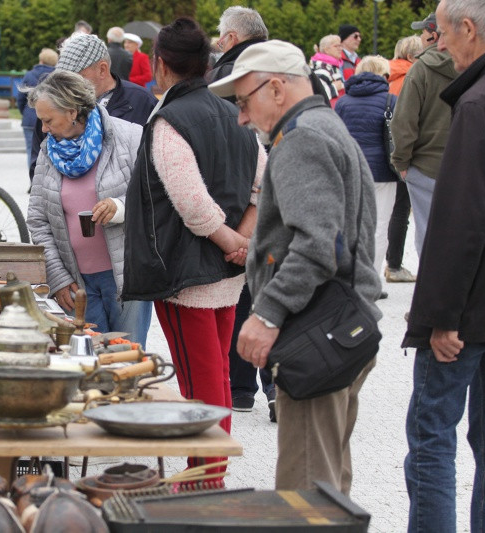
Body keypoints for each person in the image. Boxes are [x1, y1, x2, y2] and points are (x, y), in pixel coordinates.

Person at [211, 40, 381, 495]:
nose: (242, 117)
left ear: (278, 89)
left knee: (305, 494)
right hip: (340, 327)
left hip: (318, 332)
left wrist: (267, 314)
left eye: (245, 102)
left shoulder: (302, 137)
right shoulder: (323, 125)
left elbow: (316, 244)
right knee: (327, 488)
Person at [123, 18, 262, 480]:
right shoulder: (232, 109)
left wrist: (230, 239)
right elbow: (265, 184)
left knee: (201, 383)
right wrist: (243, 239)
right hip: (227, 270)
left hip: (189, 273)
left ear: (161, 64)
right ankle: (209, 472)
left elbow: (193, 205)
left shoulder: (170, 119)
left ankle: (206, 476)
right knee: (216, 374)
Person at [403, 1, 485, 530]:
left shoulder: (477, 105)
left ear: (469, 28)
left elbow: (459, 223)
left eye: (441, 32)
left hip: (469, 309)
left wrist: (439, 317)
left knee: (432, 436)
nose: (437, 42)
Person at [25, 71, 152, 347]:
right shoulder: (49, 150)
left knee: (124, 359)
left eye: (48, 120)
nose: (44, 130)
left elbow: (154, 199)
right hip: (76, 283)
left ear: (72, 112)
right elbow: (37, 219)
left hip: (127, 276)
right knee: (86, 361)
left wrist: (119, 207)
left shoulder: (128, 137)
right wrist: (57, 277)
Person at [204, 5, 275, 420]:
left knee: (244, 290)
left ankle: (244, 386)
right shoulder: (287, 61)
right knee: (269, 285)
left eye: (219, 34)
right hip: (274, 189)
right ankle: (273, 387)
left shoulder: (230, 74)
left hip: (243, 197)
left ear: (231, 38)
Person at [28, 33, 157, 179]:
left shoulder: (142, 102)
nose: (66, 86)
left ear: (102, 69)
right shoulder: (55, 102)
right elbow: (37, 165)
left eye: (75, 77)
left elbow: (153, 167)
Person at [390, 13, 456, 259]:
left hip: (426, 165)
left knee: (428, 235)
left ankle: (433, 293)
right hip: (466, 164)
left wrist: (401, 161)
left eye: (422, 32)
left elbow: (404, 120)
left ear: (433, 35)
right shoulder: (473, 65)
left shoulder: (422, 69)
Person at [335, 56, 397, 300]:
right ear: (383, 74)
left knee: (352, 224)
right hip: (383, 169)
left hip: (351, 169)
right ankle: (371, 281)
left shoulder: (343, 102)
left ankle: (351, 278)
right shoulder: (391, 100)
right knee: (380, 226)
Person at [384, 34, 423, 285]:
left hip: (386, 151)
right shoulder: (415, 76)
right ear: (412, 55)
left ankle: (391, 262)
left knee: (393, 210)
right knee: (404, 211)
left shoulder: (388, 74)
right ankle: (395, 264)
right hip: (409, 152)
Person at [17, 48, 57, 168]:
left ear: (41, 60)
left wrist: (24, 112)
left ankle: (32, 180)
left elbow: (20, 98)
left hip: (29, 119)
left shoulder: (29, 75)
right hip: (50, 120)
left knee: (31, 150)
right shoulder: (57, 76)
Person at [206, 6, 268, 83]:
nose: (222, 51)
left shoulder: (223, 75)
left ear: (231, 38)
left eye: (222, 44)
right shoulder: (280, 64)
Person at [310, 35, 346, 104]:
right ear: (326, 50)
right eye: (336, 46)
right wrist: (334, 87)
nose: (340, 49)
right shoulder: (321, 68)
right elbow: (317, 95)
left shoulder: (332, 67)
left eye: (340, 46)